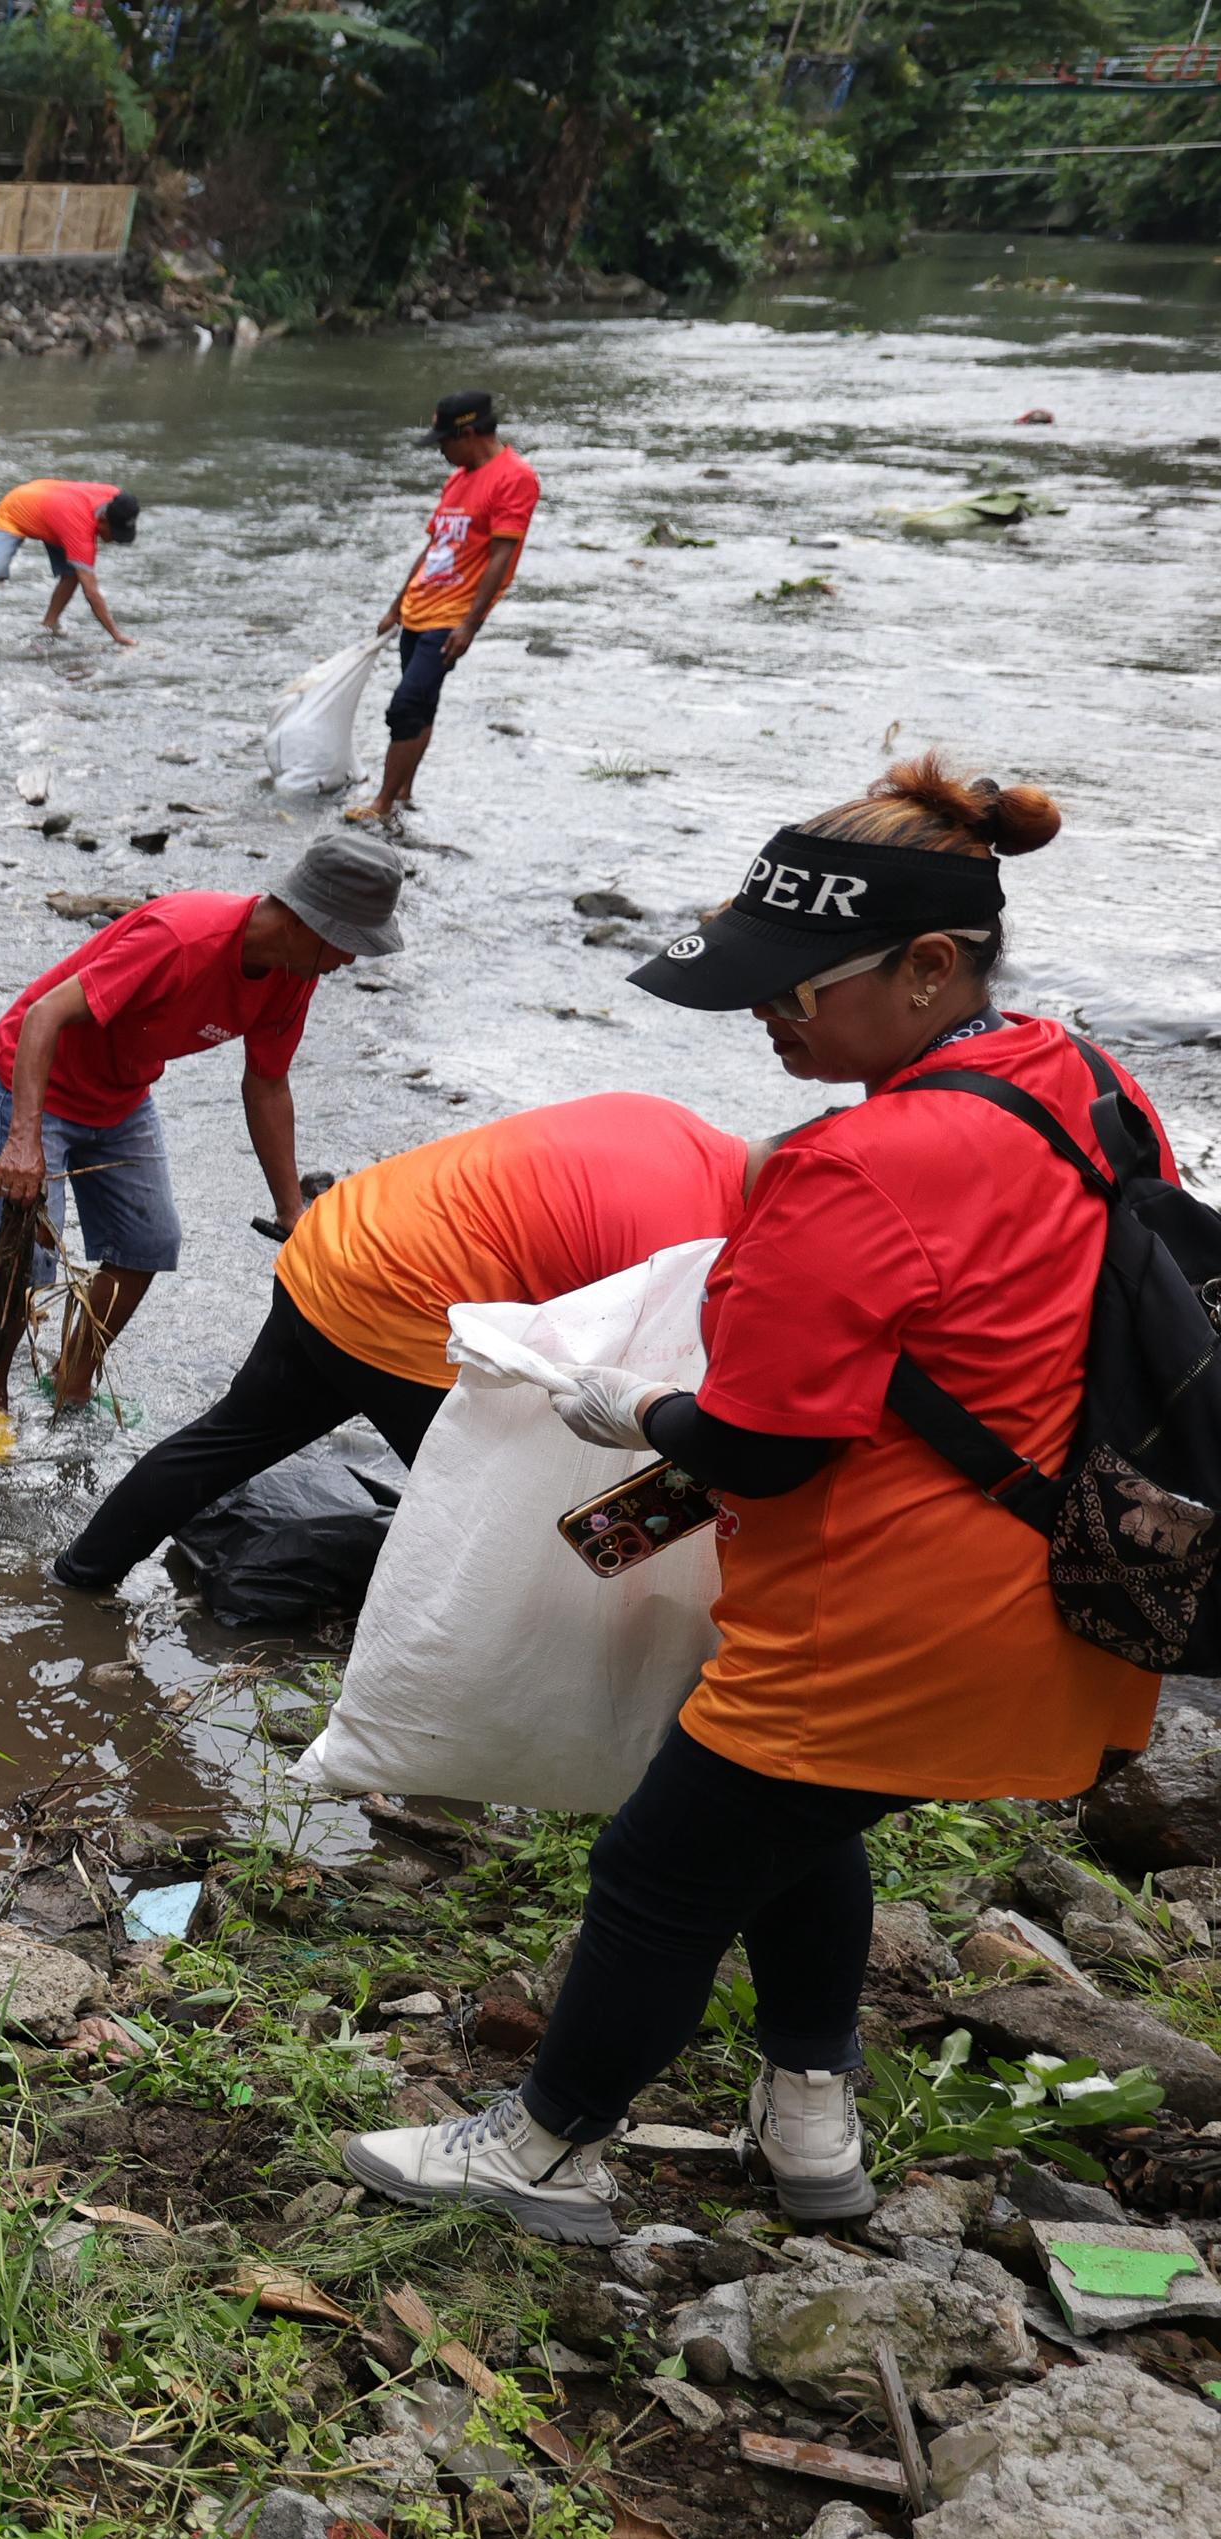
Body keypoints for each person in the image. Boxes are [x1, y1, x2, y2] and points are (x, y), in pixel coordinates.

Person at [347, 757, 1151, 2241]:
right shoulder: (1079, 1082)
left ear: (928, 966)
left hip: (885, 1608)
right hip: (1060, 1574)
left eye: (794, 989)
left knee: (661, 1865)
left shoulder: (850, 1165)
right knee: (798, 1832)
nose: (767, 1017)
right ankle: (809, 2122)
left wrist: (627, 1406)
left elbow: (765, 1448)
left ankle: (546, 2147)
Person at [51, 1095, 748, 1591]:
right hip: (400, 1302)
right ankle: (446, 1698)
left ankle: (79, 1579)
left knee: (229, 1437)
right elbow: (633, 1381)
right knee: (494, 1521)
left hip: (334, 1244)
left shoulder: (667, 1119)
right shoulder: (693, 1240)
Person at [0, 831, 404, 1414]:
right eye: (348, 942)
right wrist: (24, 1139)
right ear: (306, 922)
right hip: (33, 1082)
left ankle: (72, 1380)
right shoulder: (182, 939)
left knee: (148, 1241)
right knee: (25, 1260)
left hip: (121, 1095)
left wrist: (290, 1209)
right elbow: (45, 1015)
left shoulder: (294, 974)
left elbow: (268, 1083)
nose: (350, 960)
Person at [351, 392, 538, 828]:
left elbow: (502, 556)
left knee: (404, 708)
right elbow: (436, 546)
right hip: (420, 609)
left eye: (443, 441)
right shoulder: (459, 478)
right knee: (421, 706)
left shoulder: (515, 477)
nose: (440, 450)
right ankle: (402, 792)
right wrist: (397, 605)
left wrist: (470, 624)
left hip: (451, 618)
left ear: (469, 433)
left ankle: (381, 803)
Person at [0, 480, 141, 648]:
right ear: (102, 519)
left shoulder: (118, 500)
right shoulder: (80, 531)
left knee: (72, 573)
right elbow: (91, 593)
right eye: (114, 533)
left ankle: (49, 624)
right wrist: (117, 635)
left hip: (54, 512)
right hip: (15, 509)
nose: (113, 540)